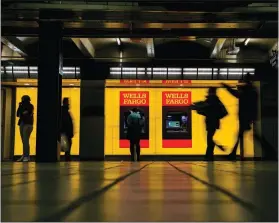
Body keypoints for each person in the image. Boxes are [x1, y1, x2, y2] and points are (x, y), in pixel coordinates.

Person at [222, 73, 277, 161]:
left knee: (244, 135)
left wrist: (227, 87)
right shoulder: (252, 90)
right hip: (249, 116)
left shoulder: (247, 89)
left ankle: (271, 151)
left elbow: (237, 94)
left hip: (245, 116)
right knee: (246, 135)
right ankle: (270, 152)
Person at [191, 87, 227, 161]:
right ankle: (209, 155)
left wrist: (196, 108)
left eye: (209, 91)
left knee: (209, 139)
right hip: (214, 122)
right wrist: (216, 116)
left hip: (211, 122)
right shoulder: (217, 100)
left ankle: (209, 155)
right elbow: (223, 112)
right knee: (209, 138)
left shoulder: (211, 100)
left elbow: (205, 107)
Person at [17, 95, 34, 162]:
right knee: (24, 141)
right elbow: (18, 114)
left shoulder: (30, 106)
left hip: (27, 124)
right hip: (22, 123)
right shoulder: (22, 106)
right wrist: (20, 106)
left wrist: (22, 110)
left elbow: (25, 113)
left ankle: (26, 156)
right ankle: (25, 155)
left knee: (25, 140)